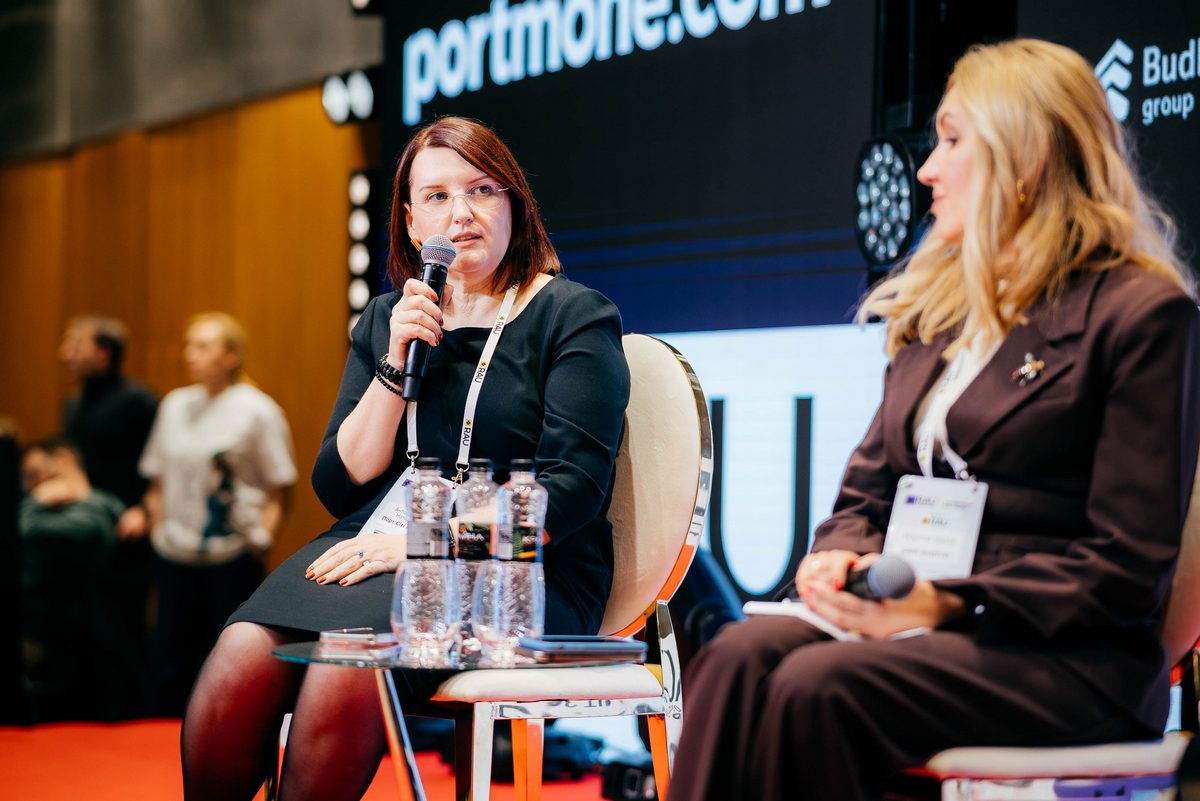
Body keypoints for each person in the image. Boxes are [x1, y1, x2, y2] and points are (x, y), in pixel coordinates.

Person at [669, 38, 1200, 801]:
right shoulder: (939, 309)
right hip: (917, 618)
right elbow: (865, 494)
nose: (926, 169)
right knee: (733, 657)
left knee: (815, 687)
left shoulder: (1141, 314)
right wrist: (840, 560)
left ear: (1023, 157)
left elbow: (1123, 568)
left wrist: (952, 598)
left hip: (1066, 655)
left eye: (952, 141)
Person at [179, 117, 631, 801]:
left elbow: (572, 492)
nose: (462, 212)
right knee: (244, 649)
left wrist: (431, 542)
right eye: (438, 196)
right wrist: (394, 361)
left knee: (347, 662)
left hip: (524, 568)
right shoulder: (391, 317)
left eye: (482, 189)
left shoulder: (573, 316)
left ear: (515, 204)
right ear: (413, 222)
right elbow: (340, 483)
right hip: (382, 546)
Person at [138, 312, 297, 716]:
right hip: (174, 548)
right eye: (189, 345)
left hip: (232, 552)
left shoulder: (257, 410)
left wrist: (261, 539)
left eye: (203, 346)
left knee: (223, 659)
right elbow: (156, 477)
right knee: (170, 656)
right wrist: (157, 527)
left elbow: (280, 484)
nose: (190, 354)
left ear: (231, 356)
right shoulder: (175, 405)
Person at [59, 315, 158, 717]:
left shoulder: (139, 401)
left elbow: (159, 465)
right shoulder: (73, 403)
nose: (65, 354)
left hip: (128, 529)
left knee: (124, 626)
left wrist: (145, 510)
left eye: (75, 344)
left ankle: (131, 712)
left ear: (104, 352)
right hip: (86, 528)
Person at [18, 437, 124, 720]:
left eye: (35, 474)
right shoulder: (39, 505)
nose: (29, 486)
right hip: (38, 632)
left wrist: (33, 505)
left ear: (64, 460)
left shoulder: (100, 505)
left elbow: (23, 530)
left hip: (86, 642)